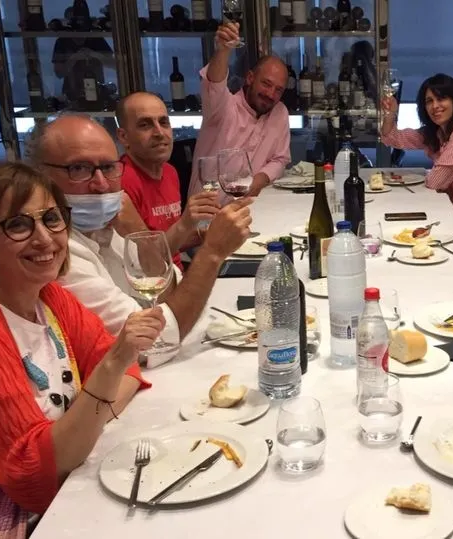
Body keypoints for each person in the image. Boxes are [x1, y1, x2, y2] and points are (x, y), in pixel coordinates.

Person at [0, 163, 160, 535]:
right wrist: (105, 376)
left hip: (61, 493)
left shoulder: (50, 299)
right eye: (18, 225)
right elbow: (33, 476)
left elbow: (129, 375)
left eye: (51, 218)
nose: (44, 238)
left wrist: (76, 429)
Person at [24, 114, 252, 366]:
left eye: (109, 167)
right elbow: (161, 339)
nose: (101, 184)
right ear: (39, 177)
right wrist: (212, 253)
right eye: (79, 169)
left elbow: (173, 292)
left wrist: (141, 235)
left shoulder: (113, 226)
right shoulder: (51, 253)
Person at [380, 73, 453, 251]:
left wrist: (431, 175)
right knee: (403, 229)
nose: (435, 106)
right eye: (429, 101)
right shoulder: (438, 133)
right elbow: (391, 137)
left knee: (412, 237)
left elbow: (436, 181)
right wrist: (391, 112)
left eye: (441, 98)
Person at [116, 91, 221, 269]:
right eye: (145, 125)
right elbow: (143, 263)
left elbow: (170, 241)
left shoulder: (170, 172)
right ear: (124, 137)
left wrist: (203, 234)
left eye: (164, 122)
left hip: (176, 274)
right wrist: (185, 223)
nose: (159, 132)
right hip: (155, 285)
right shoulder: (121, 182)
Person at [191, 22, 291, 199]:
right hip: (207, 214)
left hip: (248, 210)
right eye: (266, 84)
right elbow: (214, 83)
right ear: (250, 78)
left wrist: (258, 181)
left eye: (278, 90)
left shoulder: (279, 112)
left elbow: (280, 159)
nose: (270, 94)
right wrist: (223, 50)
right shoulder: (222, 106)